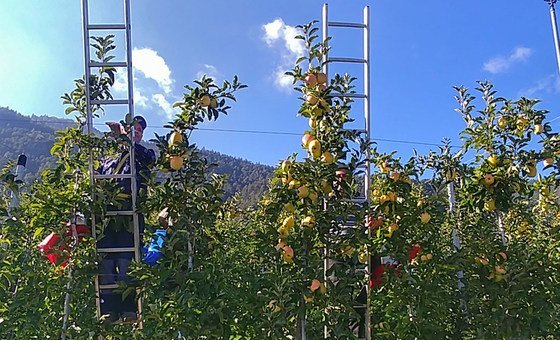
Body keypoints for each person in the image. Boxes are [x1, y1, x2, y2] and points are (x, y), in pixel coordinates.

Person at [97, 115, 156, 322]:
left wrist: (124, 137)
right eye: (134, 129)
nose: (137, 132)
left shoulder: (144, 154)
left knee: (126, 261)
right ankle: (109, 309)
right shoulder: (107, 160)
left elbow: (150, 161)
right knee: (105, 261)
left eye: (140, 130)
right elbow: (96, 181)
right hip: (106, 214)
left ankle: (128, 307)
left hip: (131, 213)